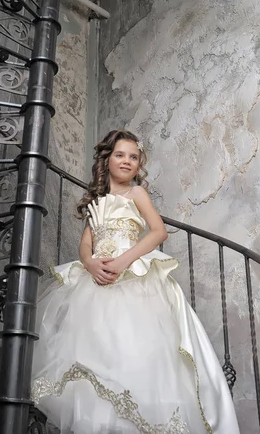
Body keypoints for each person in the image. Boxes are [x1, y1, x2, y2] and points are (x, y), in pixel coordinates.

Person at [31, 130, 240, 434]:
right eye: (120, 154)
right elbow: (86, 243)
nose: (127, 161)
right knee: (96, 352)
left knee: (133, 349)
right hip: (95, 282)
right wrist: (90, 263)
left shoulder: (136, 194)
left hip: (131, 278)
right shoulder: (98, 200)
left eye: (133, 156)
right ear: (107, 158)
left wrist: (122, 261)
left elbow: (158, 232)